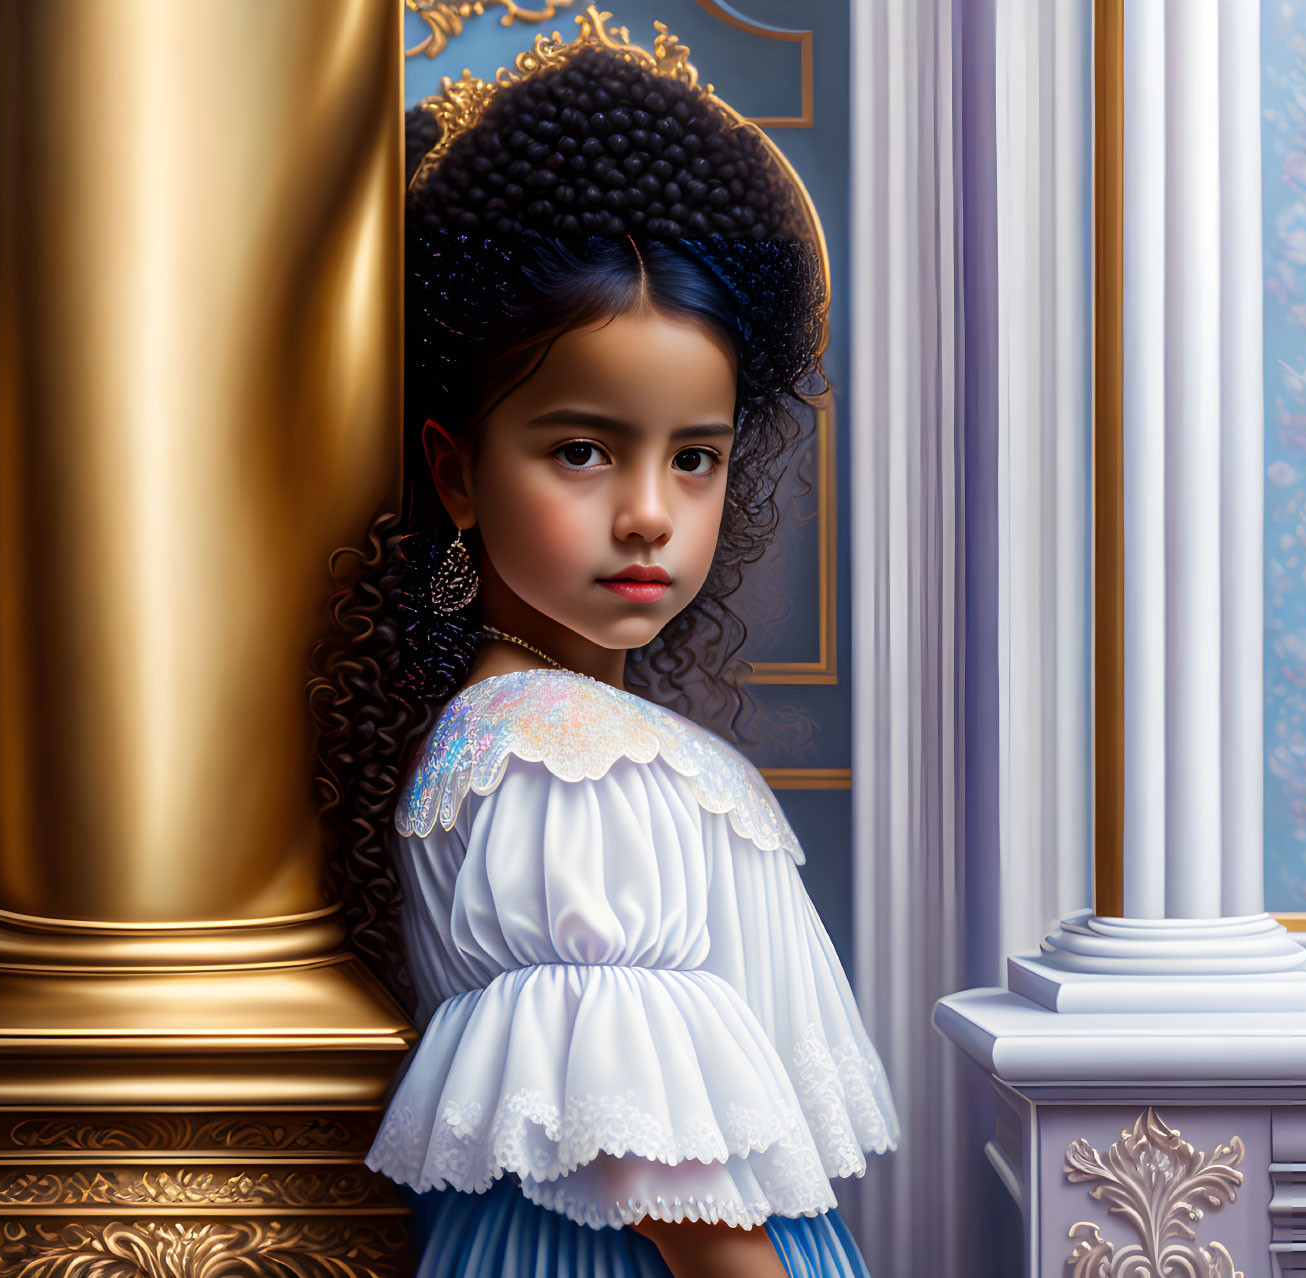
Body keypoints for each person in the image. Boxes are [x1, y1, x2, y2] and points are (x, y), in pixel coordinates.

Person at [308, 12, 898, 1275]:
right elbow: (668, 1184)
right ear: (455, 473)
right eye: (581, 449)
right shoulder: (557, 746)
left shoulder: (552, 725)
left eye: (694, 458)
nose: (646, 512)